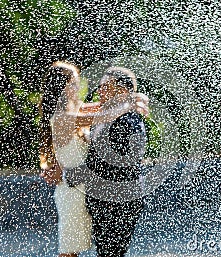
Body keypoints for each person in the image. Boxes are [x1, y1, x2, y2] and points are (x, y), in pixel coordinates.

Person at [39, 62, 149, 257]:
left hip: (83, 190)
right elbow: (105, 114)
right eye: (74, 83)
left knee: (79, 249)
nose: (78, 87)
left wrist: (130, 97)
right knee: (69, 251)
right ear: (62, 88)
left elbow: (105, 104)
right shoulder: (62, 118)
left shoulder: (77, 109)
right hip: (72, 193)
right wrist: (129, 103)